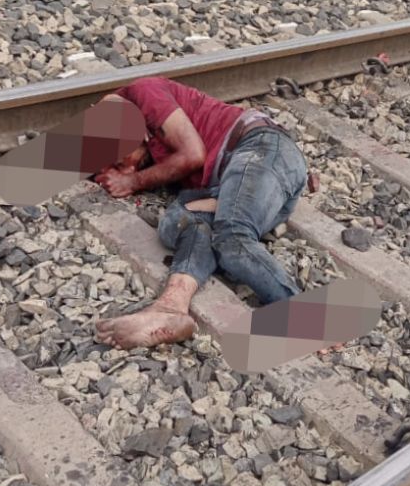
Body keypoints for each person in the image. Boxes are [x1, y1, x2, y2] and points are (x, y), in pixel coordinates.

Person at [93, 76, 307, 349]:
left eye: (124, 161)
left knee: (232, 237)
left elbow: (194, 154)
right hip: (226, 184)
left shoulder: (143, 93)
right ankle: (170, 308)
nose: (130, 169)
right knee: (179, 224)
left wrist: (133, 182)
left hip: (259, 148)